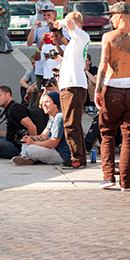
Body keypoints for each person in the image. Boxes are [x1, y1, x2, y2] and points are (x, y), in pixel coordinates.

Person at [94, 2, 130, 190]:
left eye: (112, 15)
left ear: (120, 15)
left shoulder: (108, 37)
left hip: (112, 88)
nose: (110, 19)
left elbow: (102, 65)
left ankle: (108, 177)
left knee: (107, 133)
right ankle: (127, 182)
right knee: (129, 137)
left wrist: (98, 90)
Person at [53, 11, 90, 169]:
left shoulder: (81, 36)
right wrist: (58, 59)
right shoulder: (74, 43)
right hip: (71, 85)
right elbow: (74, 62)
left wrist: (61, 22)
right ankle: (79, 156)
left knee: (70, 124)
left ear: (78, 25)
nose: (66, 30)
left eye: (69, 26)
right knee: (74, 123)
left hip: (73, 86)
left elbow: (69, 24)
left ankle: (76, 157)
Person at [13, 90, 71, 165]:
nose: (44, 104)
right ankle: (25, 157)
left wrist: (33, 143)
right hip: (54, 149)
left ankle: (30, 157)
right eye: (43, 102)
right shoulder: (52, 117)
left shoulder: (59, 117)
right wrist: (30, 139)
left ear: (56, 104)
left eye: (47, 102)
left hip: (62, 155)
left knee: (31, 149)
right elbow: (43, 136)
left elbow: (54, 142)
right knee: (27, 143)